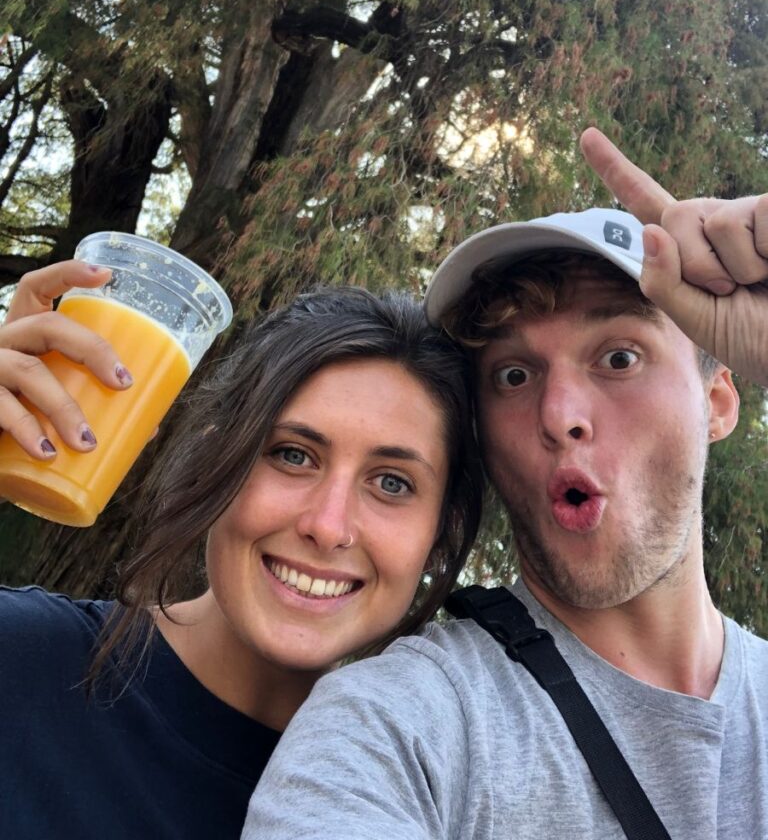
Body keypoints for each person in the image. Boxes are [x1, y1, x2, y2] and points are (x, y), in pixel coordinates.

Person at [242, 127, 768, 839]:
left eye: (618, 357)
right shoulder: (399, 727)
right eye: (513, 376)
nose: (559, 416)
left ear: (717, 403)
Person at [0, 264, 483, 840]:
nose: (328, 527)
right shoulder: (19, 659)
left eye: (393, 484)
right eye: (293, 455)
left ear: (440, 536)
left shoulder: (427, 804)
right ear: (215, 460)